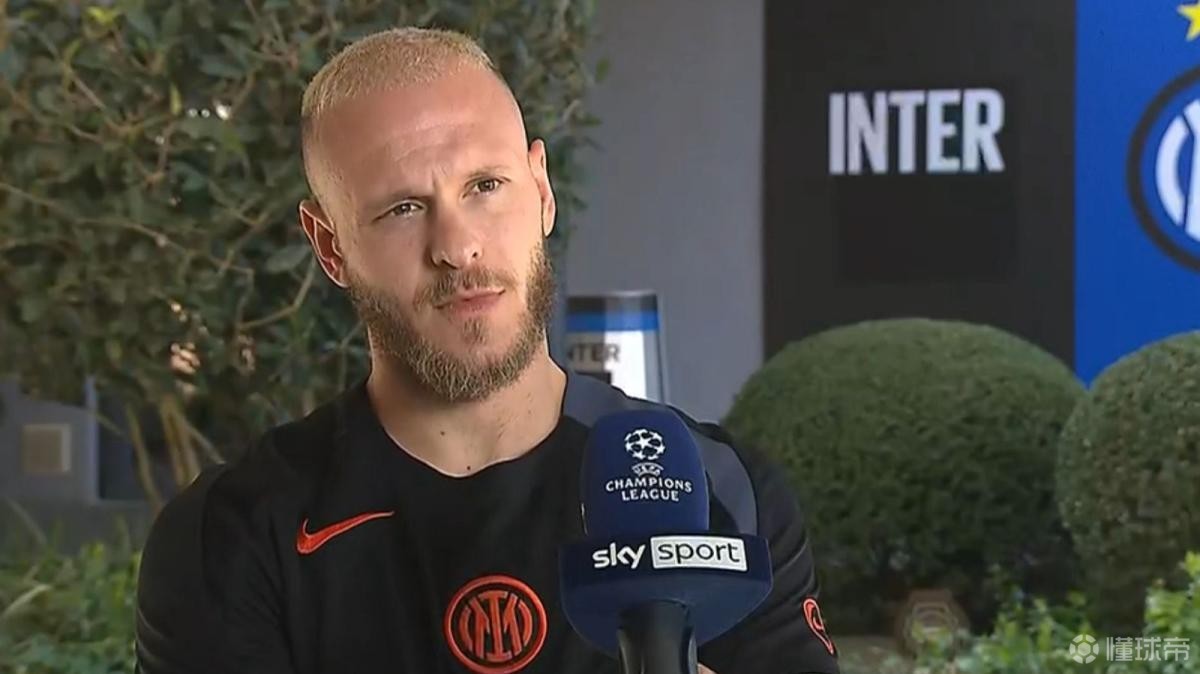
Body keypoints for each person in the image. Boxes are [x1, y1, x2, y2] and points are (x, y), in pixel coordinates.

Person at [134, 26, 840, 674]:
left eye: (485, 186)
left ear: (542, 190)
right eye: (403, 208)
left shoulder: (724, 497)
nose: (458, 246)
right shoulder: (234, 536)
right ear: (330, 245)